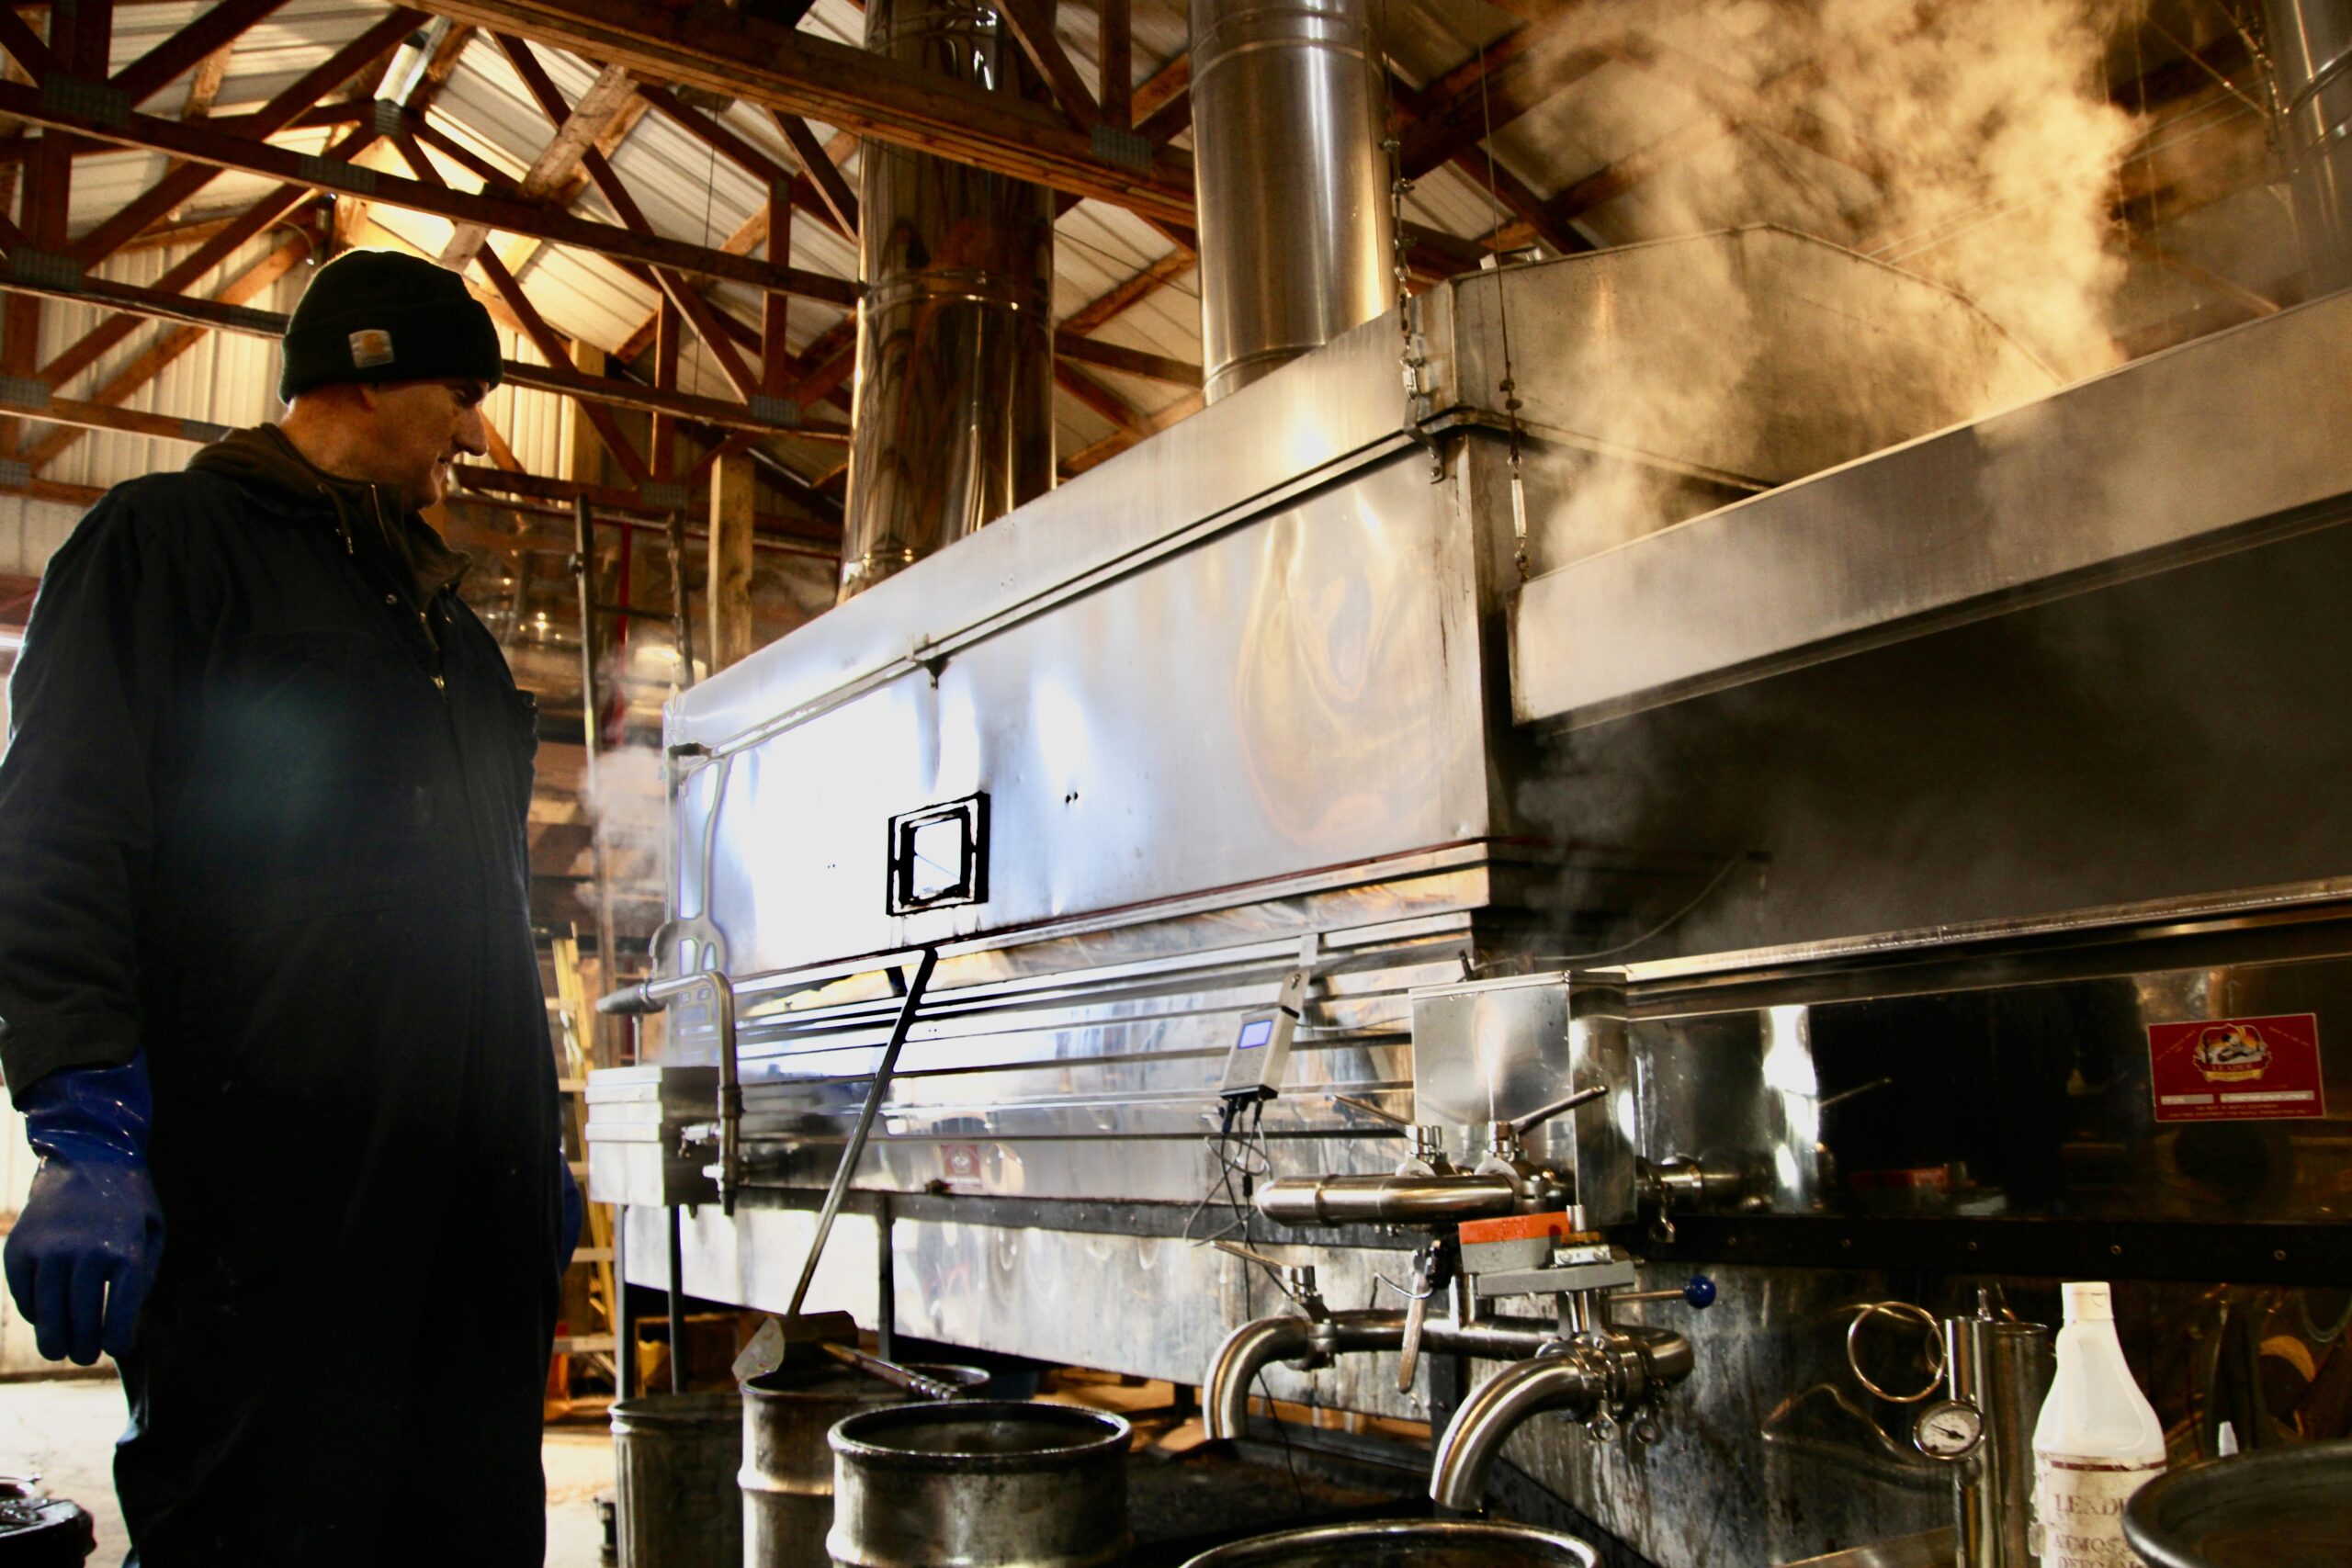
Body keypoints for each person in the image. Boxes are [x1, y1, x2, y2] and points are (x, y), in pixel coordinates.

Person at [0, 249, 578, 1565]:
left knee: (466, 1534)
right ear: (366, 378)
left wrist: (526, 1136)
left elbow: (492, 911)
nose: (472, 432)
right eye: (461, 391)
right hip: (268, 1204)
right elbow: (58, 830)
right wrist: (83, 1118)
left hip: (463, 1212)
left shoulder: (446, 634)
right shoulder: (164, 547)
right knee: (266, 1530)